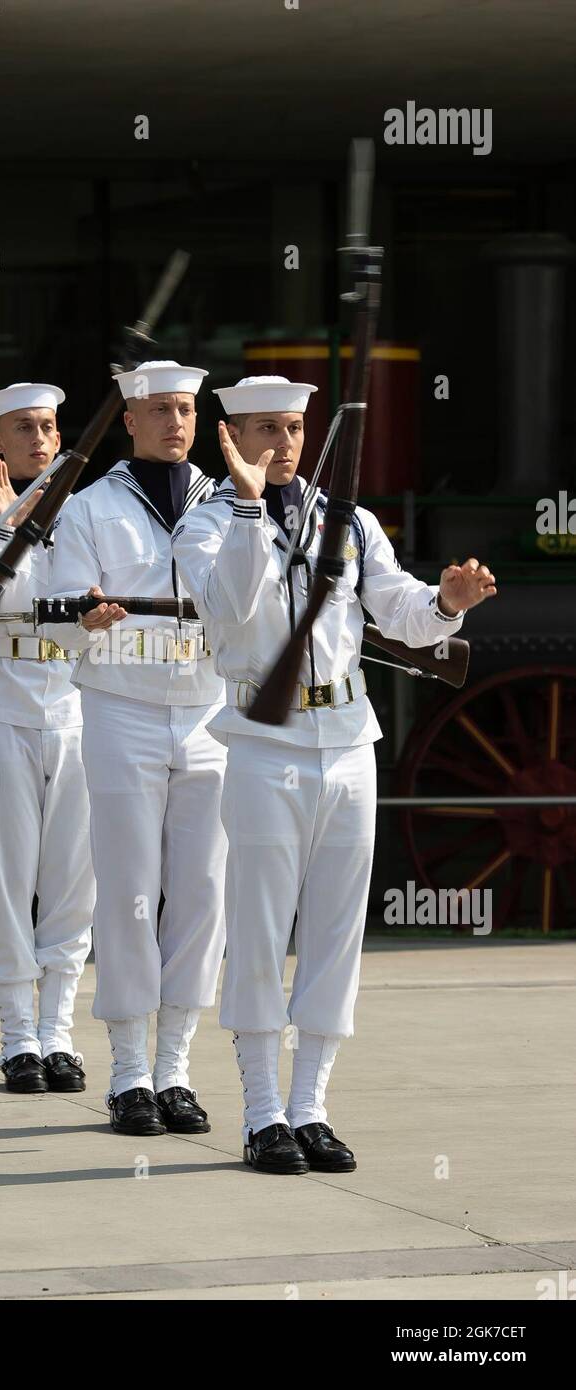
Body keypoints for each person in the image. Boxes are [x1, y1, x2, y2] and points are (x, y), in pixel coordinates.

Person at [172, 374, 497, 1174]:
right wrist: (249, 510)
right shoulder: (206, 524)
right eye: (264, 429)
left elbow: (398, 607)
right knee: (258, 928)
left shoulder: (346, 521)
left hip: (349, 737)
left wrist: (447, 603)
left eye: (292, 428)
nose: (282, 444)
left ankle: (312, 1107)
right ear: (231, 437)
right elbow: (232, 609)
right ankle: (260, 1112)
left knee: (335, 933)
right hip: (263, 739)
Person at [48, 360, 228, 1137]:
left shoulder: (227, 504)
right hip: (121, 705)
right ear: (128, 419)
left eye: (185, 409)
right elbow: (54, 608)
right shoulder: (88, 507)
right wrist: (79, 615)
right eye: (158, 409)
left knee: (202, 892)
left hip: (207, 711)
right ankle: (128, 1070)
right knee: (126, 890)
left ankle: (176, 1067)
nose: (174, 422)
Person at [0, 382, 95, 1094]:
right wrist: (4, 528)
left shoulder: (89, 513)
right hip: (1, 701)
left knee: (73, 878)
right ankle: (18, 1035)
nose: (39, 439)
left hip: (77, 703)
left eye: (49, 427)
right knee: (5, 876)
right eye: (22, 429)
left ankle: (60, 1030)